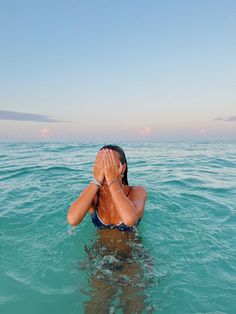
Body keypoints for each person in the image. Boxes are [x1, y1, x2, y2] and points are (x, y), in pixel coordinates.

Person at [67, 144, 147, 232]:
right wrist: (96, 180)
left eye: (111, 164)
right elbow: (73, 220)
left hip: (130, 245)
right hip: (98, 245)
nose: (106, 169)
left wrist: (111, 179)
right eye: (102, 164)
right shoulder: (93, 194)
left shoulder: (136, 192)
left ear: (123, 168)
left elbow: (129, 220)